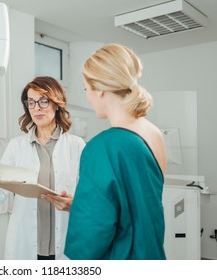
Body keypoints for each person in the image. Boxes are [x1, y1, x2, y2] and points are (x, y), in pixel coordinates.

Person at [0, 76, 85, 260]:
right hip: (26, 245)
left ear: (57, 103)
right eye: (31, 102)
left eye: (44, 101)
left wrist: (74, 203)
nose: (37, 108)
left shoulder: (77, 145)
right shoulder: (16, 146)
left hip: (66, 243)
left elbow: (89, 195)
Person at [64, 44, 167, 260]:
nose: (87, 96)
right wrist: (80, 204)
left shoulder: (102, 147)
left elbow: (90, 236)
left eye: (86, 89)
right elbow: (136, 204)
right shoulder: (154, 133)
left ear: (99, 89)